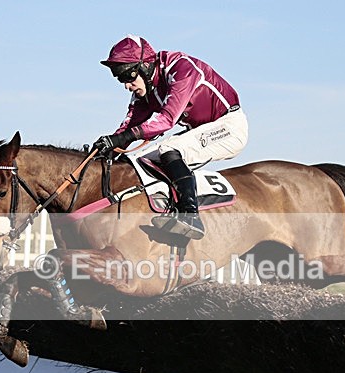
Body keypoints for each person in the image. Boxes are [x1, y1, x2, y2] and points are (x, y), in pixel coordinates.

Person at [93, 35, 248, 240]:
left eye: (127, 76)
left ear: (145, 66)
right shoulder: (146, 89)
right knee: (138, 159)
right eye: (120, 78)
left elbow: (167, 120)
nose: (126, 85)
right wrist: (105, 150)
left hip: (229, 126)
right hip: (200, 130)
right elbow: (128, 127)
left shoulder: (181, 69)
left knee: (168, 149)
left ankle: (190, 216)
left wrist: (123, 138)